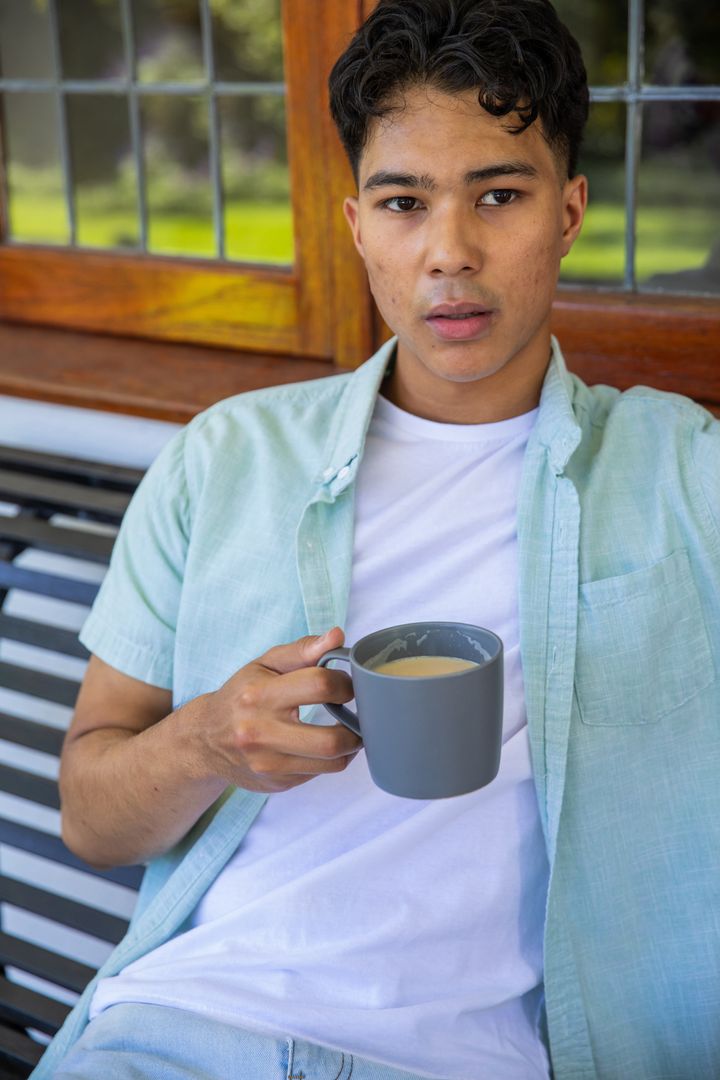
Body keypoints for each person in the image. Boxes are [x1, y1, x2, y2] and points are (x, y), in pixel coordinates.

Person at [33, 1, 720, 1077]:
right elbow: (89, 817)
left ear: (571, 212)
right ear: (358, 227)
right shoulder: (227, 459)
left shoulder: (683, 472)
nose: (451, 251)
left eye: (500, 194)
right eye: (405, 202)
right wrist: (211, 738)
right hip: (182, 1031)